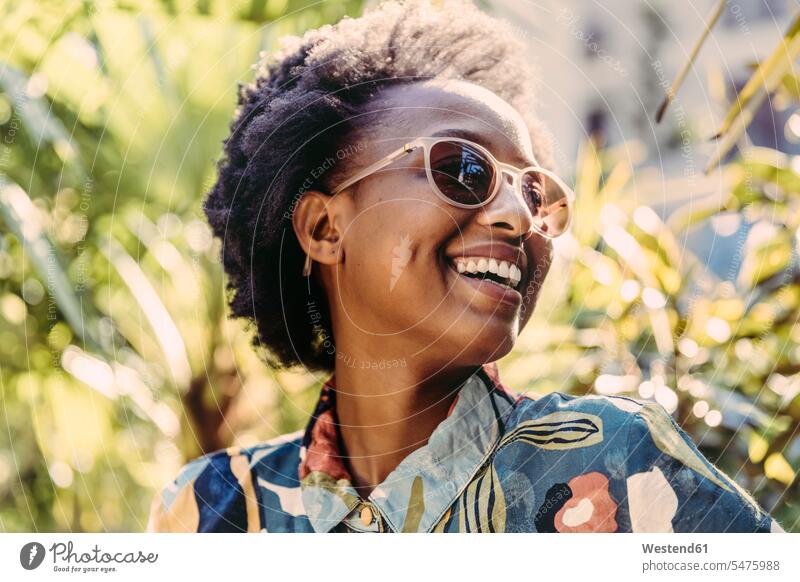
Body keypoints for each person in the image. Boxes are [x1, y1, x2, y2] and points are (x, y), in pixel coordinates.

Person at [146, 0, 783, 533]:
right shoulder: (209, 509)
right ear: (324, 228)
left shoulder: (617, 460)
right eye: (463, 169)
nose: (517, 216)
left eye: (535, 193)